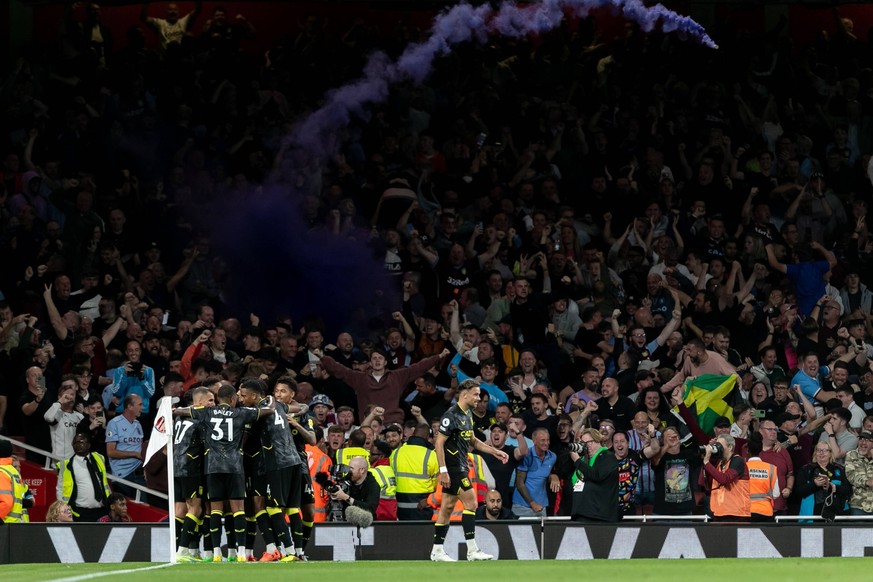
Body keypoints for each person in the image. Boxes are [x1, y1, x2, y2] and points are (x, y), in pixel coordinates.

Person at [174, 384, 274, 562]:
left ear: (218, 399)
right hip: (235, 467)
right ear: (233, 399)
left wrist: (173, 409)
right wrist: (271, 401)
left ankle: (216, 554)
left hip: (212, 468)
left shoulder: (206, 413)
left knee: (215, 511)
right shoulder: (241, 413)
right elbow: (269, 410)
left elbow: (181, 412)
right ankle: (242, 553)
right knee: (238, 511)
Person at [430, 379, 509, 562]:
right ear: (464, 394)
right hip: (453, 468)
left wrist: (495, 451)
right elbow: (439, 443)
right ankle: (472, 550)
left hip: (461, 466)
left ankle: (437, 551)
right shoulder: (451, 415)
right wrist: (443, 471)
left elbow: (473, 440)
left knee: (447, 508)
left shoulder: (467, 415)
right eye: (475, 394)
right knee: (472, 503)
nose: (479, 398)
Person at [317, 347, 449, 424]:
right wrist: (323, 357)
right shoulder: (360, 379)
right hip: (369, 424)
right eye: (374, 358)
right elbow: (340, 370)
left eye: (380, 358)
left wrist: (439, 356)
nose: (377, 360)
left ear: (385, 362)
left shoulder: (397, 376)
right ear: (370, 363)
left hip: (393, 423)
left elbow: (419, 367)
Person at [173, 386, 213, 561]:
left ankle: (181, 552)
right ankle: (183, 551)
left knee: (180, 510)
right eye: (211, 400)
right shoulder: (201, 420)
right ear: (199, 402)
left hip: (176, 467)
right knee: (195, 508)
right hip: (191, 468)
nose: (214, 404)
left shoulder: (180, 419)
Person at [56, 432, 111, 522]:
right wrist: (62, 510)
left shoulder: (99, 458)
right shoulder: (65, 465)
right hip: (80, 512)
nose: (77, 445)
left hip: (102, 510)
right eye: (75, 443)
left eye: (81, 442)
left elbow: (104, 483)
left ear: (88, 445)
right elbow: (60, 489)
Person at [569, 428, 620, 522]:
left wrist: (577, 461)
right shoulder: (584, 460)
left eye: (589, 442)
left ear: (598, 441)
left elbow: (596, 475)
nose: (586, 446)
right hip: (581, 512)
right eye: (583, 444)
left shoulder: (607, 456)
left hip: (599, 515)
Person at [701, 435, 750, 521]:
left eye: (719, 446)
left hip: (736, 514)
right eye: (716, 445)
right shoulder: (720, 463)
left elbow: (724, 479)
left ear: (730, 447)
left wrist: (707, 462)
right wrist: (709, 457)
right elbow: (709, 484)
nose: (717, 448)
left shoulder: (738, 461)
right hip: (719, 513)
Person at [105, 394, 145, 498]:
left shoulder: (138, 424)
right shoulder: (114, 423)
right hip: (122, 476)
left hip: (138, 473)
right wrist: (134, 454)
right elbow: (111, 452)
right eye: (140, 405)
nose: (142, 408)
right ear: (129, 406)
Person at [796, 442, 851, 518]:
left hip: (837, 511)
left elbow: (848, 490)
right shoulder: (805, 469)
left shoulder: (839, 469)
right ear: (815, 453)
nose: (821, 453)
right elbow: (798, 491)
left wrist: (833, 486)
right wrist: (814, 484)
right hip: (812, 512)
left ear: (830, 453)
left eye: (825, 450)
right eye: (819, 450)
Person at [511, 427, 556, 518]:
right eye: (543, 440)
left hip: (541, 506)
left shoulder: (552, 457)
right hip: (522, 506)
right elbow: (519, 483)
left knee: (541, 532)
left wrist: (554, 476)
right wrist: (532, 503)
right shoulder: (527, 455)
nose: (546, 443)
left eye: (548, 440)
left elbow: (544, 475)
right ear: (534, 441)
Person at [326, 456, 380, 520]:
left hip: (365, 524)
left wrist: (345, 497)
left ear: (362, 470)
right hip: (346, 521)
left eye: (351, 468)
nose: (349, 471)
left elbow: (369, 509)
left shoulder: (373, 486)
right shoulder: (346, 479)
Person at [746, 433, 779, 521]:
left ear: (747, 450)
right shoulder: (771, 468)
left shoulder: (742, 468)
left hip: (746, 510)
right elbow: (776, 493)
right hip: (766, 511)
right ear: (761, 449)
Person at [844, 431, 873, 516]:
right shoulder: (851, 455)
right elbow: (850, 475)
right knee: (857, 529)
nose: (863, 442)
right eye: (861, 439)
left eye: (867, 440)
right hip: (858, 505)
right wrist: (866, 482)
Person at [0, 439, 26, 523]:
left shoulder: (2, 472)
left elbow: (6, 502)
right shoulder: (13, 471)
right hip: (14, 522)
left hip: (4, 522)